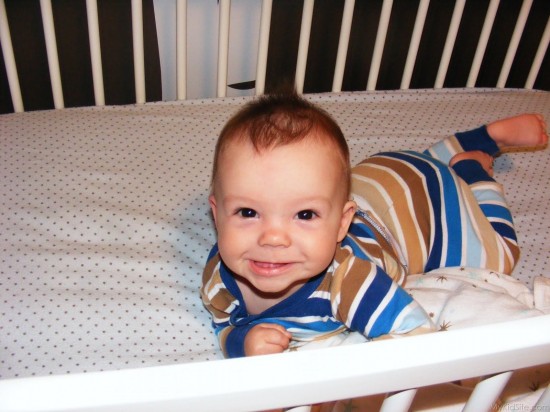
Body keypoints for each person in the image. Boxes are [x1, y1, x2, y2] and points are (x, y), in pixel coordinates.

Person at [201, 91, 548, 358]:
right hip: (376, 178)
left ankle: (472, 168)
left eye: (304, 215)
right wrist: (242, 342)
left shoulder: (350, 283)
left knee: (501, 256)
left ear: (342, 225)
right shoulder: (221, 273)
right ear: (217, 215)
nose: (273, 238)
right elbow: (224, 324)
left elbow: (414, 341)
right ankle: (460, 147)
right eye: (248, 213)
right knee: (333, 181)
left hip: (427, 209)